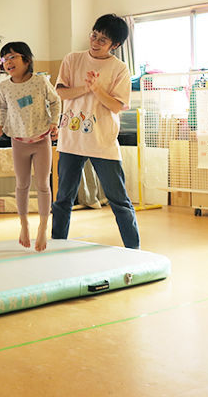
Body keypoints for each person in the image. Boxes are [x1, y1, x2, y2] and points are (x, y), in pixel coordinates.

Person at [51, 14, 140, 249]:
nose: (95, 42)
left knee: (119, 200)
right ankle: (57, 245)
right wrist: (86, 87)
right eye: (94, 35)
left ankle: (134, 249)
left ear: (115, 45)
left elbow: (116, 106)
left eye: (103, 40)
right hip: (71, 139)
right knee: (63, 199)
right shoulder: (72, 59)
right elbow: (61, 92)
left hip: (103, 141)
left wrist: (97, 89)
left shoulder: (119, 68)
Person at [0, 42, 60, 252]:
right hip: (18, 142)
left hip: (41, 140)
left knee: (43, 185)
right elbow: (2, 109)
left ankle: (43, 226)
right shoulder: (4, 87)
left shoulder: (40, 81)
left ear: (27, 60)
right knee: (22, 185)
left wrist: (54, 122)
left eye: (13, 56)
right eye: (5, 59)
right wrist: (0, 127)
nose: (8, 62)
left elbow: (55, 101)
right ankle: (24, 225)